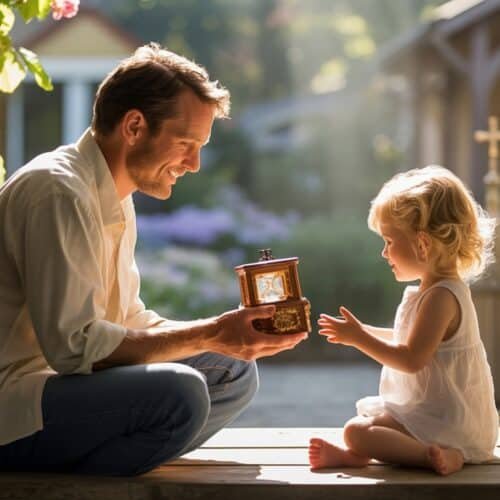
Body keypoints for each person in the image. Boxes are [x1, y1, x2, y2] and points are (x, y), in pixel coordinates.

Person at [0, 43, 308, 476]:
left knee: (232, 370)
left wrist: (224, 336)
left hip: (70, 390)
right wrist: (212, 332)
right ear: (134, 126)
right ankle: (80, 483)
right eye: (186, 143)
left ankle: (105, 462)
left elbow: (128, 320)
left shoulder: (114, 195)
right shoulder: (58, 190)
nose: (195, 164)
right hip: (17, 405)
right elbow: (75, 348)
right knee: (179, 395)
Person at [309, 165, 498, 476]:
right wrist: (361, 331)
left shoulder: (442, 297)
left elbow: (411, 358)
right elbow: (407, 337)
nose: (385, 253)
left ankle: (433, 455)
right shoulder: (430, 290)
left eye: (389, 241)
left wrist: (359, 339)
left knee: (356, 431)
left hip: (451, 423)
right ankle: (359, 455)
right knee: (362, 427)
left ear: (423, 244)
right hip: (433, 411)